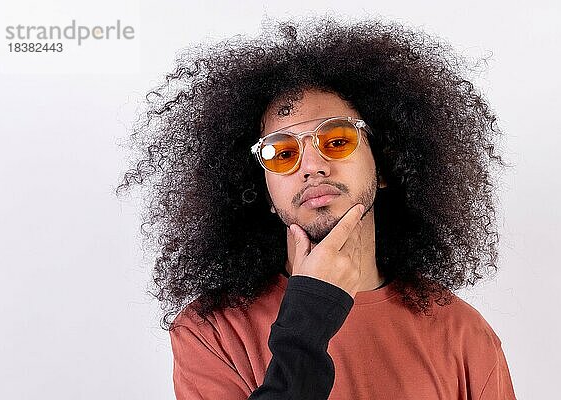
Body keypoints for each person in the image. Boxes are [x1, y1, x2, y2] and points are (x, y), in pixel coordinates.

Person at [117, 16, 516, 399]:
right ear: (264, 191)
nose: (311, 166)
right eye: (282, 152)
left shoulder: (463, 334)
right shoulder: (212, 332)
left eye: (337, 140)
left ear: (384, 165)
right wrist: (310, 315)